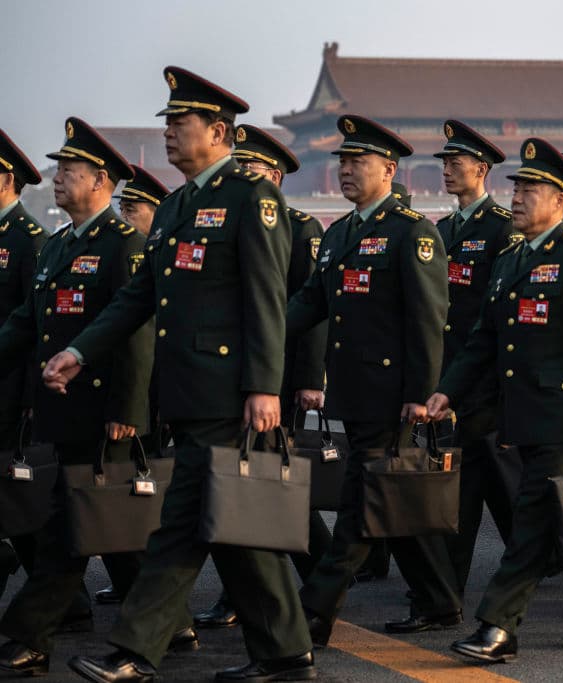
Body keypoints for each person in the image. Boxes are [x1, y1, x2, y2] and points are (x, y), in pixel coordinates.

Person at [46, 67, 316, 682]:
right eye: (167, 122)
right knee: (234, 527)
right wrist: (81, 351)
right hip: (188, 390)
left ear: (218, 131)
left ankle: (135, 652)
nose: (168, 133)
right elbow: (138, 297)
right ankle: (286, 653)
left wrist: (263, 388)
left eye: (179, 123)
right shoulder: (175, 207)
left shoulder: (253, 198)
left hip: (228, 392)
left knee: (181, 528)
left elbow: (266, 299)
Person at [426, 137, 563, 662]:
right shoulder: (509, 259)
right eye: (518, 187)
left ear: (562, 201)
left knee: (532, 524)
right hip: (520, 411)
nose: (519, 197)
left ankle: (498, 626)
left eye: (532, 189)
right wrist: (446, 389)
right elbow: (483, 338)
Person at [285, 115, 461, 644]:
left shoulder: (413, 232)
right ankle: (439, 601)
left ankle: (312, 611)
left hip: (391, 396)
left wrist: (418, 394)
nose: (344, 170)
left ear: (388, 169)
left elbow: (428, 320)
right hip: (354, 390)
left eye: (356, 162)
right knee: (390, 496)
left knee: (361, 504)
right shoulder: (340, 233)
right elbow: (310, 303)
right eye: (341, 161)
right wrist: (262, 332)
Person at [0, 118, 155, 677]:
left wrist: (127, 410)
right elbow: (26, 323)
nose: (59, 178)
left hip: (100, 409)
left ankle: (28, 635)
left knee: (71, 529)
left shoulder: (124, 244)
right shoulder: (58, 244)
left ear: (103, 182)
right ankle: (164, 620)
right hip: (57, 407)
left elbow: (135, 334)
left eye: (71, 171)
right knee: (109, 528)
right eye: (59, 169)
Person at [188, 123, 332, 630]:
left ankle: (320, 573)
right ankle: (319, 572)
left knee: (262, 482)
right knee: (259, 481)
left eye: (250, 167)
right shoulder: (230, 216)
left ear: (273, 174)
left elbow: (310, 310)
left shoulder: (300, 227)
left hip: (280, 376)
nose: (241, 173)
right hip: (244, 374)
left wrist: (307, 379)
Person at [430, 119, 519, 601]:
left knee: (505, 492)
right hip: (451, 376)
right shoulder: (443, 230)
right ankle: (445, 591)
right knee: (460, 491)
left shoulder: (502, 229)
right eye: (443, 163)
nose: (447, 170)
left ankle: (537, 561)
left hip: (486, 380)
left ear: (480, 169)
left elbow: (499, 312)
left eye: (455, 163)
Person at [91, 164, 172, 607]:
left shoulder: (137, 250)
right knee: (126, 496)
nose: (126, 214)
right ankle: (136, 588)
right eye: (123, 206)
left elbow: (141, 337)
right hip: (138, 389)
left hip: (152, 390)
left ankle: (156, 602)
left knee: (139, 493)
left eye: (134, 207)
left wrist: (132, 406)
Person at [0, 128, 48, 603]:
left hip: (13, 387)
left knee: (19, 492)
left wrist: (34, 397)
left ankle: (61, 596)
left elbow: (38, 326)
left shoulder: (29, 238)